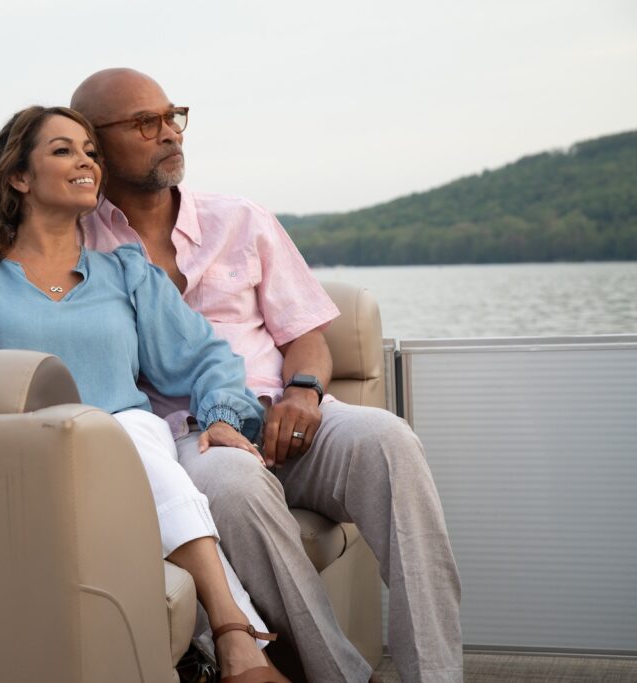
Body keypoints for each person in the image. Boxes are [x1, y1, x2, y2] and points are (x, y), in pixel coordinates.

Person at [0, 106, 293, 683]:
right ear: (19, 177)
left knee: (123, 438)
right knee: (117, 445)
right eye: (64, 151)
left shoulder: (126, 273)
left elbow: (207, 358)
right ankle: (242, 646)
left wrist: (222, 416)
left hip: (123, 443)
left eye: (91, 153)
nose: (86, 163)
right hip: (17, 453)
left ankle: (232, 636)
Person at [60, 69, 461, 683]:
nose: (170, 133)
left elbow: (306, 337)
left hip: (283, 416)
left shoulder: (241, 220)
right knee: (231, 482)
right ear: (94, 142)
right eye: (146, 123)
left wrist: (305, 391)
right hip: (188, 438)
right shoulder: (73, 244)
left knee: (390, 441)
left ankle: (437, 675)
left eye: (174, 116)